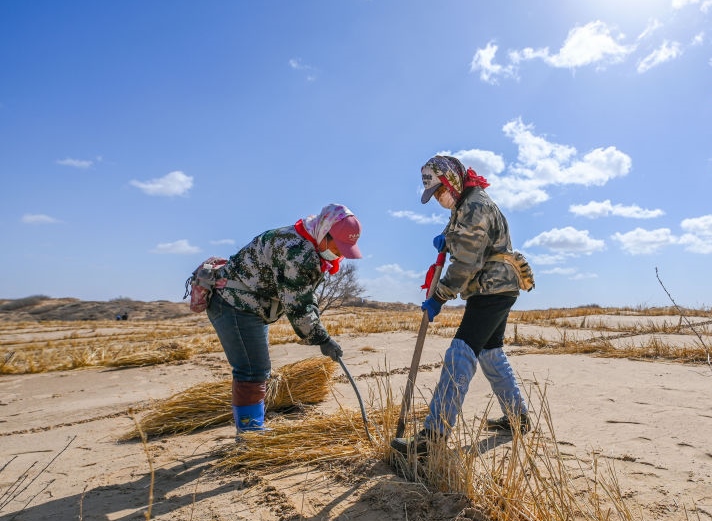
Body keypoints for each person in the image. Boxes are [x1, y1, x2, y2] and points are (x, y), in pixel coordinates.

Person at [391, 155, 530, 457]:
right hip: (497, 288)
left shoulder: (474, 205)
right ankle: (517, 417)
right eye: (435, 194)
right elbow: (463, 239)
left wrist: (439, 297)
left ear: (452, 181)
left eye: (440, 190)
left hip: (492, 288)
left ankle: (432, 438)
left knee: (460, 352)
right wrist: (447, 238)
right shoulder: (465, 203)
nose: (439, 198)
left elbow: (466, 263)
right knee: (490, 353)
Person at [208, 204, 362, 436]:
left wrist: (319, 332)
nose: (339, 254)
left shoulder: (309, 244)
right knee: (252, 370)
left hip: (250, 306)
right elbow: (298, 305)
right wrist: (323, 339)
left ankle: (252, 428)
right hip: (234, 304)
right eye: (337, 247)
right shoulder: (296, 252)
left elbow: (305, 295)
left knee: (257, 369)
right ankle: (250, 434)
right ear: (324, 232)